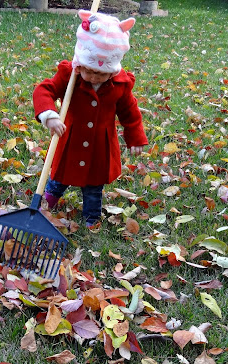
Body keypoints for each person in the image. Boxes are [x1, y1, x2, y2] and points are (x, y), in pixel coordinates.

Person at [33, 10, 147, 229]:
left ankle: (91, 219)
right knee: (58, 178)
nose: (95, 77)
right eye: (90, 71)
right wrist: (50, 115)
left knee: (94, 187)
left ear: (113, 70)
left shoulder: (120, 85)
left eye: (101, 74)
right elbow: (43, 91)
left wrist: (135, 138)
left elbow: (129, 112)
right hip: (69, 139)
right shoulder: (70, 75)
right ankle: (44, 206)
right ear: (81, 62)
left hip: (99, 147)